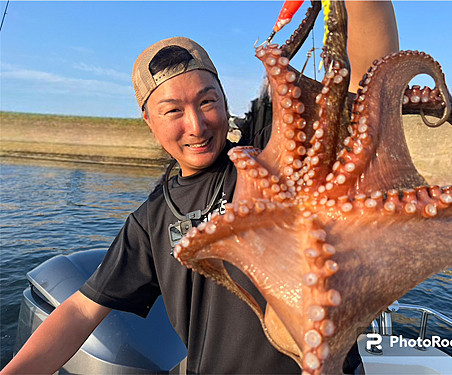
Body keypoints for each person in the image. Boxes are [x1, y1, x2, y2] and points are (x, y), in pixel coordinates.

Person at [1, 2, 399, 374]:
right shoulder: (151, 220)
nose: (196, 125)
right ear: (148, 121)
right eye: (173, 110)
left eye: (207, 102)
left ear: (225, 101)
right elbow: (81, 312)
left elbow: (366, 90)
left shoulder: (269, 153)